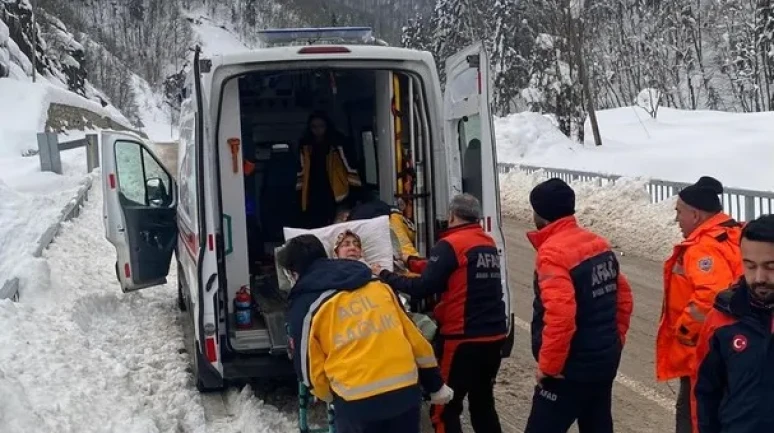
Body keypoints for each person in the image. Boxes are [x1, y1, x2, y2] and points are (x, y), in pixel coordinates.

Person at [281, 235, 454, 433]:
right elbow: (416, 339)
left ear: (293, 273)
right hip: (405, 394)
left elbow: (308, 365)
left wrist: (329, 395)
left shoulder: (304, 305)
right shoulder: (377, 285)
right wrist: (435, 383)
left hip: (356, 403)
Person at [373, 193, 508, 433]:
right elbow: (447, 268)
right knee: (483, 404)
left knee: (444, 408)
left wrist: (385, 274)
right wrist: (412, 261)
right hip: (494, 337)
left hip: (462, 339)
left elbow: (423, 288)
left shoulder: (451, 244)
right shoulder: (485, 242)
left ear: (452, 215)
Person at [522, 178, 633, 433]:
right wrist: (614, 342)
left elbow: (561, 316)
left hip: (568, 371)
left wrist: (548, 368)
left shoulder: (552, 253)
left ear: (542, 215)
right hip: (603, 365)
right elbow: (624, 298)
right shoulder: (598, 244)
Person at [656, 176, 743, 433]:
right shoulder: (735, 234)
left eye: (679, 213)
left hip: (704, 353)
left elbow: (709, 299)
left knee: (693, 417)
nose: (676, 220)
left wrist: (684, 333)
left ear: (695, 214)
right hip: (737, 348)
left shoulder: (702, 248)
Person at [692, 214, 774, 433]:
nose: (759, 277)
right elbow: (705, 393)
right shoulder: (722, 319)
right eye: (750, 266)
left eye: (771, 267)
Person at [296, 111, 362, 228]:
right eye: (314, 127)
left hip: (336, 191)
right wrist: (299, 195)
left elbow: (350, 167)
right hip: (313, 190)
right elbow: (301, 171)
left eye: (321, 126)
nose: (317, 130)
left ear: (327, 126)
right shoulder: (305, 145)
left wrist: (355, 193)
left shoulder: (338, 143)